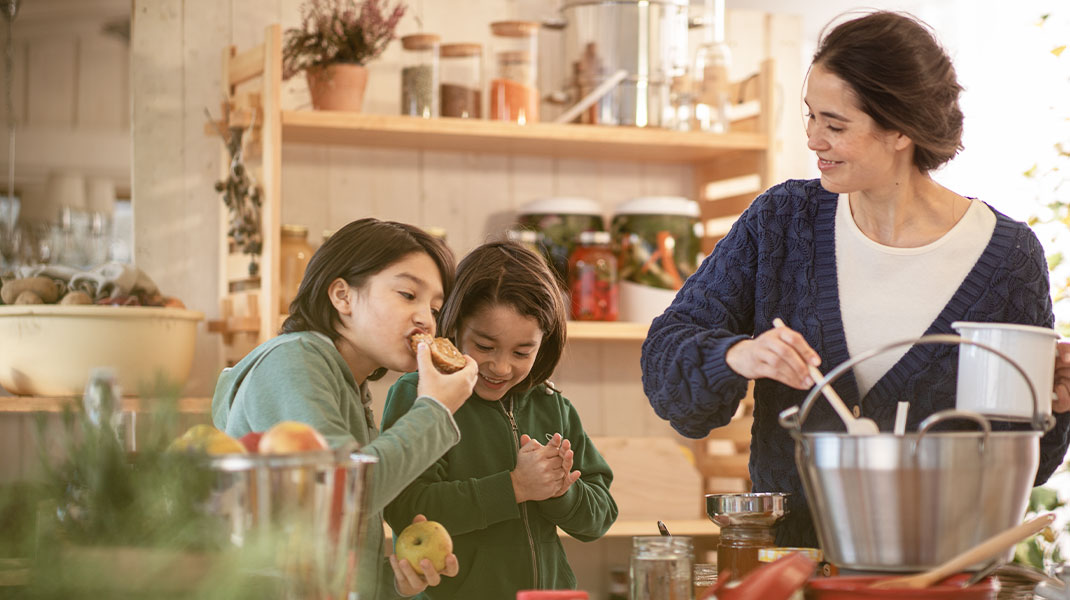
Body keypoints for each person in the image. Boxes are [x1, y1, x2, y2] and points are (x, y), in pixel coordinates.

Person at [640, 10, 1070, 548]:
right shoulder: (781, 222)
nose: (813, 139)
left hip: (935, 578)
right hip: (790, 570)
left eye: (835, 125)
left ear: (899, 129)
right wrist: (738, 356)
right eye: (810, 116)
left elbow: (1021, 464)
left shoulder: (1007, 256)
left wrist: (1056, 405)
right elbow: (667, 366)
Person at [211, 218, 479, 599]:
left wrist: (393, 581)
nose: (426, 319)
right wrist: (435, 407)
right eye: (407, 294)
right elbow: (343, 492)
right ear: (342, 296)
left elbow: (329, 532)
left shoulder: (350, 384)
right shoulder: (293, 363)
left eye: (435, 308)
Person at [381, 241, 618, 598]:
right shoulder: (420, 394)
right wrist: (516, 487)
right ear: (456, 325)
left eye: (523, 351)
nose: (502, 367)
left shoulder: (552, 404)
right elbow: (405, 508)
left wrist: (557, 490)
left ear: (544, 343)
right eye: (485, 346)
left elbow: (599, 519)